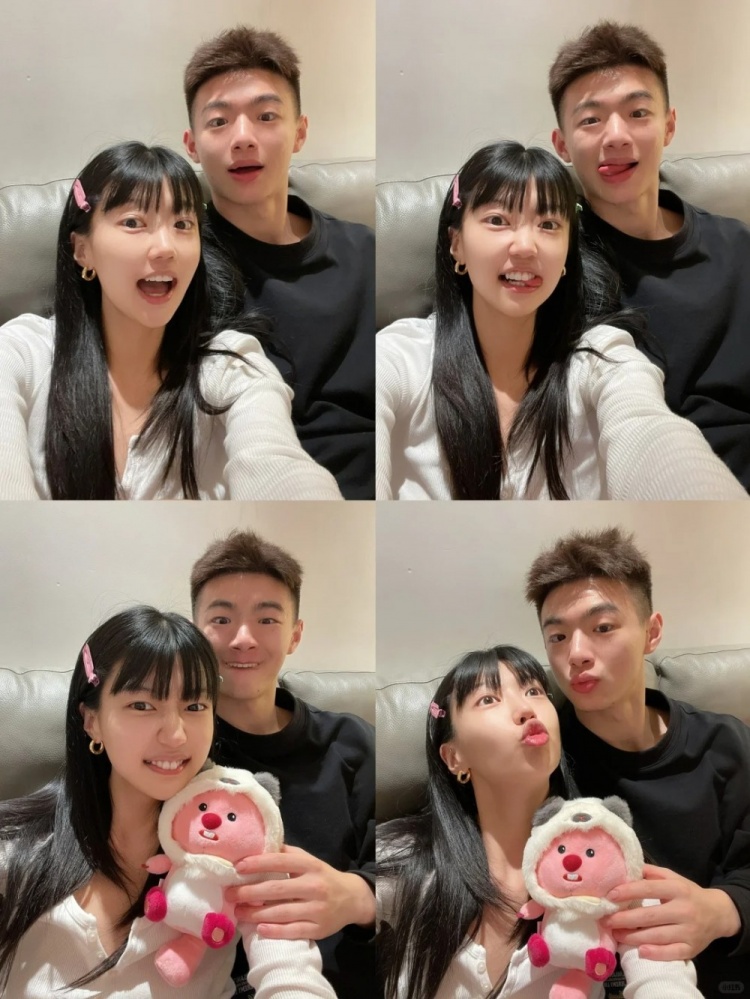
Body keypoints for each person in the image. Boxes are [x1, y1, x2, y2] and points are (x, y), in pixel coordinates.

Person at [376, 139, 746, 501]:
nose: (526, 246)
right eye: (497, 220)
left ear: (568, 251)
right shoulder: (402, 356)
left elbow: (647, 428)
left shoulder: (601, 359)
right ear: (456, 243)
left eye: (549, 224)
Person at [0, 605, 335, 998]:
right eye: (142, 705)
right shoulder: (19, 846)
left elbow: (291, 973)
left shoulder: (236, 839)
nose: (175, 735)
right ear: (92, 720)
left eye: (194, 706)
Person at [0, 140, 341, 500]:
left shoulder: (230, 367)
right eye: (133, 222)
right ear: (82, 250)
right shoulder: (22, 354)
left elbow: (278, 467)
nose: (166, 247)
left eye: (182, 224)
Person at [377, 646, 701, 999]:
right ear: (454, 757)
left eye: (533, 690)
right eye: (488, 699)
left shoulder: (610, 858)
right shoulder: (402, 858)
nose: (526, 709)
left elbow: (663, 979)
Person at [525, 527, 750, 995]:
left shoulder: (725, 743)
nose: (576, 654)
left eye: (603, 628)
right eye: (558, 637)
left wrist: (725, 909)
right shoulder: (540, 758)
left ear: (652, 632)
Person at [549, 20, 750, 489]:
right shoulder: (552, 265)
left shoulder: (738, 247)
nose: (616, 136)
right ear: (562, 145)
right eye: (591, 119)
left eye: (638, 112)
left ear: (669, 125)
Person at [183, 27, 375, 500]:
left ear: (300, 132)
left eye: (266, 116)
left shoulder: (365, 251)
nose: (243, 138)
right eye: (219, 121)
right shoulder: (178, 266)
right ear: (192, 145)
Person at [190, 530, 376, 999]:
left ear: (295, 635)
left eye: (267, 619)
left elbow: (408, 864)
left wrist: (359, 896)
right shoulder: (176, 749)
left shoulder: (350, 743)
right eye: (221, 619)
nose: (243, 639)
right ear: (195, 633)